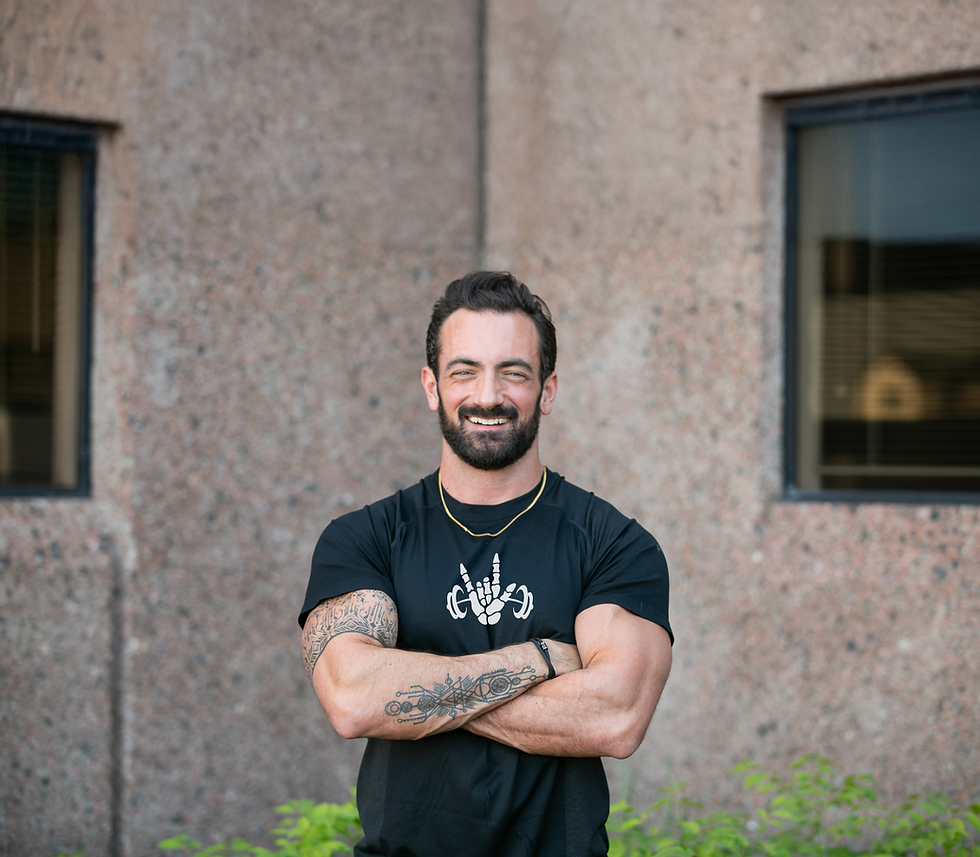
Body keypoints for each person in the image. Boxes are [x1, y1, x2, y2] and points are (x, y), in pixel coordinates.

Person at [299, 271, 673, 857]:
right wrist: (542, 660)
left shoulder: (614, 545)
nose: (488, 395)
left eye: (514, 372)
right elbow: (353, 700)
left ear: (547, 390)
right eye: (464, 370)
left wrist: (411, 695)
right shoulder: (365, 539)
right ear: (432, 386)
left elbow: (615, 717)